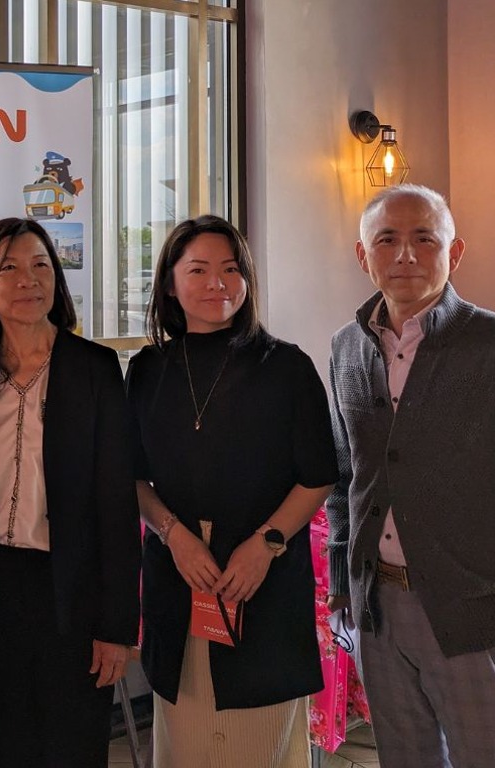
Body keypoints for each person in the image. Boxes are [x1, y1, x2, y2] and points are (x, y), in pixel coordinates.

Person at [0, 217, 140, 767]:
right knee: (8, 747)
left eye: (41, 265)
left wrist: (117, 627)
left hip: (74, 593)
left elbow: (117, 506)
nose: (29, 279)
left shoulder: (94, 370)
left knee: (76, 748)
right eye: (9, 269)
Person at [125, 215, 337, 767]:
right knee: (184, 740)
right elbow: (132, 477)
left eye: (231, 268)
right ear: (170, 284)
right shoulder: (148, 370)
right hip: (180, 578)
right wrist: (173, 535)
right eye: (198, 270)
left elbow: (318, 474)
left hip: (260, 580)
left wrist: (266, 544)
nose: (217, 283)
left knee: (260, 742)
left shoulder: (286, 366)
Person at [326, 184, 495, 768]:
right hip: (377, 604)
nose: (405, 255)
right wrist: (342, 581)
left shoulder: (488, 344)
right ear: (362, 254)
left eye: (424, 238)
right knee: (404, 756)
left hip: (472, 604)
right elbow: (345, 476)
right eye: (387, 240)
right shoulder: (346, 347)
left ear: (455, 251)